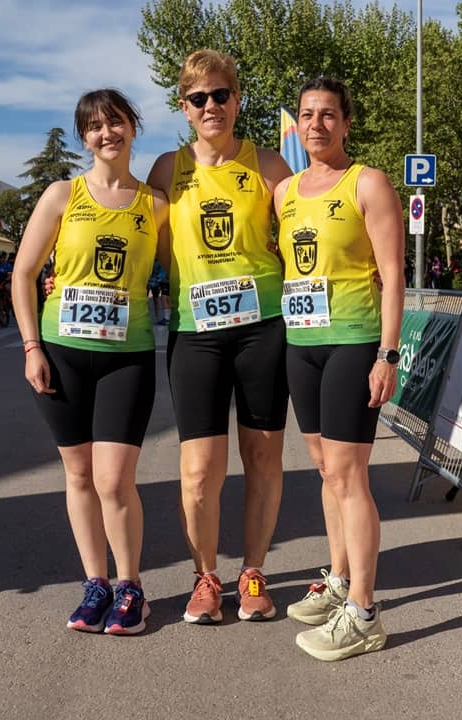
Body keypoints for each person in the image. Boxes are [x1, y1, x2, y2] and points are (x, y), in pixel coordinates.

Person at [12, 88, 167, 636]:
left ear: (133, 127)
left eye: (116, 122)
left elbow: (189, 265)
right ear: (85, 138)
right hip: (62, 355)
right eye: (96, 126)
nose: (107, 133)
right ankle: (95, 583)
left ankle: (131, 587)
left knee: (114, 479)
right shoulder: (62, 195)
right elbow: (24, 273)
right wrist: (32, 347)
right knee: (78, 474)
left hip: (127, 357)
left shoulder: (156, 204)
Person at [146, 49, 292, 624]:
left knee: (263, 458)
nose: (211, 106)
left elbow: (307, 225)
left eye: (221, 95)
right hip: (196, 333)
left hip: (261, 329)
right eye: (199, 98)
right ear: (184, 108)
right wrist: (62, 272)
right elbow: (130, 229)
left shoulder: (268, 165)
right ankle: (205, 576)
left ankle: (253, 571)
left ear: (237, 100)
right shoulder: (167, 169)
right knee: (200, 469)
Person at [274, 77, 404, 661]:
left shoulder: (368, 182)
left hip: (353, 343)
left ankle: (364, 612)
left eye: (328, 114)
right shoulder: (285, 191)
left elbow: (393, 275)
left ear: (346, 123)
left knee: (349, 477)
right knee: (327, 470)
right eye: (307, 114)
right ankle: (340, 580)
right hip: (301, 344)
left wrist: (387, 354)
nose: (316, 124)